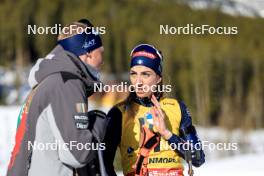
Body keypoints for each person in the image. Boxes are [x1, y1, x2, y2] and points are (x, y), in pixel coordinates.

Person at [7, 19, 107, 176]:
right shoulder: (67, 83)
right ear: (88, 52)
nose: (103, 59)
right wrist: (99, 123)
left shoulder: (49, 80)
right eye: (101, 51)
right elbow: (77, 154)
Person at [103, 44, 205, 176]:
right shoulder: (119, 113)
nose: (138, 82)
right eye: (134, 74)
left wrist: (167, 133)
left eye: (146, 74)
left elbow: (198, 158)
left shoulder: (177, 108)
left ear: (158, 78)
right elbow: (103, 163)